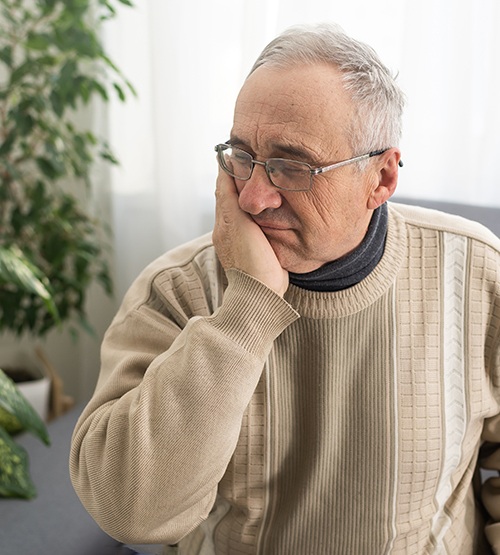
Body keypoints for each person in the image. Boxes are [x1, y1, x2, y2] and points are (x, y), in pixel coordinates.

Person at [70, 23, 500, 554]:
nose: (251, 197)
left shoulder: (477, 271)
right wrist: (246, 311)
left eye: (291, 166)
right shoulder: (175, 290)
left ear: (382, 178)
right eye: (242, 156)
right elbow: (128, 512)